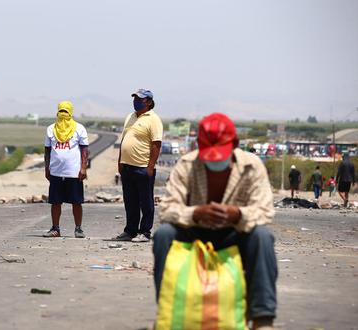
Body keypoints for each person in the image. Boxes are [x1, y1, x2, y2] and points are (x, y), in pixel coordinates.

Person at [154, 113, 277, 330]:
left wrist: (237, 214)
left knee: (262, 237)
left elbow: (264, 210)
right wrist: (195, 213)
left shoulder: (252, 166)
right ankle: (167, 310)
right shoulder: (187, 165)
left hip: (233, 233)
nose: (214, 161)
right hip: (195, 232)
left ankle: (262, 318)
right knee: (164, 235)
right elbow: (167, 209)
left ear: (235, 145)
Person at [114, 89, 163, 242]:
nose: (136, 101)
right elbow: (124, 140)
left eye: (140, 99)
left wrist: (150, 167)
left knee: (146, 202)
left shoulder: (153, 119)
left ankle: (145, 232)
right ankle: (130, 231)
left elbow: (156, 144)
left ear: (148, 102)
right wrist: (120, 161)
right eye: (134, 98)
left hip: (143, 167)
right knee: (130, 201)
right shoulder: (130, 117)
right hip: (127, 166)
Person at [43, 101, 89, 238]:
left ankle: (78, 228)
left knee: (76, 202)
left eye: (66, 111)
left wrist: (83, 168)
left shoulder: (79, 129)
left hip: (74, 173)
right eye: (61, 111)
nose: (63, 114)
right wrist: (47, 168)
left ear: (71, 113)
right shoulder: (51, 129)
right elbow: (47, 150)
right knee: (55, 202)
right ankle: (55, 228)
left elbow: (85, 150)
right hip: (56, 172)